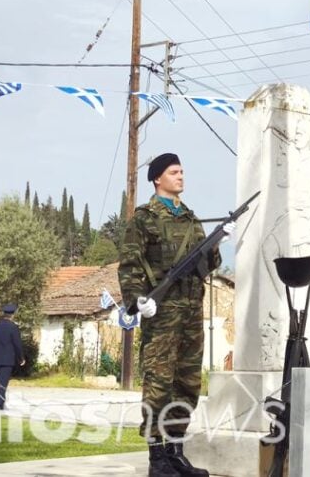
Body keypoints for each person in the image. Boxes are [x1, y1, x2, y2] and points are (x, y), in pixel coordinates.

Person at [119, 152, 227, 477]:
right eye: (174, 172)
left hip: (192, 312)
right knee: (158, 383)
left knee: (187, 383)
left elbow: (206, 267)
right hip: (162, 313)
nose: (181, 176)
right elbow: (129, 265)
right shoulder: (143, 218)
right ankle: (156, 457)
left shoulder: (192, 219)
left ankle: (176, 451)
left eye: (182, 171)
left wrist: (217, 245)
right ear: (157, 178)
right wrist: (137, 301)